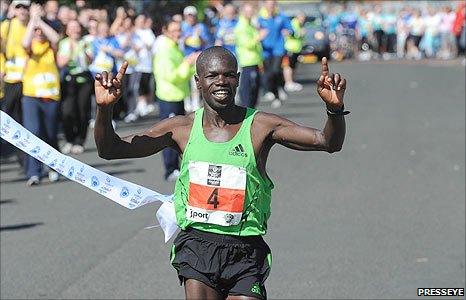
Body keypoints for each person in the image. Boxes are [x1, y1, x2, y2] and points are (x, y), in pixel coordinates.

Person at [93, 45, 348, 299]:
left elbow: (327, 142)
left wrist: (334, 110)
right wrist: (105, 109)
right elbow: (110, 149)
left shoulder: (261, 126)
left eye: (228, 75)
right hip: (197, 246)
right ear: (198, 81)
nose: (221, 81)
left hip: (245, 249)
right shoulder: (181, 128)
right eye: (212, 75)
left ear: (237, 79)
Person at [152, 19, 199, 181]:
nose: (177, 33)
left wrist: (193, 63)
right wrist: (187, 62)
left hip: (177, 95)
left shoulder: (174, 46)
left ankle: (176, 167)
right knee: (169, 134)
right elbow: (172, 76)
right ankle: (170, 169)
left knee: (180, 132)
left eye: (179, 30)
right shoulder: (165, 49)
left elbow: (182, 73)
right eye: (173, 30)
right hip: (168, 97)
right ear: (165, 31)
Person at [21, 3, 60, 186]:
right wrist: (33, 21)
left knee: (50, 134)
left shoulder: (51, 47)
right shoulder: (31, 47)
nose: (38, 33)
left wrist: (39, 20)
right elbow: (25, 42)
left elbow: (56, 37)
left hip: (50, 96)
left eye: (40, 31)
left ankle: (53, 166)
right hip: (31, 95)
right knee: (33, 132)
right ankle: (34, 172)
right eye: (36, 30)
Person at [57, 19, 92, 154]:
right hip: (69, 80)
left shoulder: (85, 42)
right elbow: (61, 63)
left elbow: (90, 61)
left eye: (77, 27)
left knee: (83, 111)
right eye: (72, 27)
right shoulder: (64, 43)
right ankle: (69, 139)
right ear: (67, 31)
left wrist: (84, 52)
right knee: (67, 111)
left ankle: (80, 140)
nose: (75, 30)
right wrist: (71, 52)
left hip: (84, 80)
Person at [258, 0, 293, 108]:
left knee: (276, 70)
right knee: (268, 74)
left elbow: (291, 28)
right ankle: (274, 91)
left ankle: (278, 91)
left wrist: (289, 32)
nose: (271, 6)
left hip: (278, 48)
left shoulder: (281, 16)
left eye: (273, 4)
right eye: (269, 4)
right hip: (266, 50)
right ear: (265, 5)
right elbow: (254, 31)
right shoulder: (260, 18)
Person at [234, 3, 266, 108]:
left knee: (255, 88)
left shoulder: (250, 24)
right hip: (247, 61)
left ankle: (251, 110)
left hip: (255, 60)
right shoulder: (241, 26)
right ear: (242, 12)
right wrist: (259, 37)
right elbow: (247, 44)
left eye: (251, 11)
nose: (250, 13)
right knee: (247, 88)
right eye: (247, 11)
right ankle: (246, 111)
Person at [283, 12, 306, 92]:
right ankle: (288, 82)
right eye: (302, 18)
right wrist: (300, 33)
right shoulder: (293, 23)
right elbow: (290, 32)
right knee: (288, 66)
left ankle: (291, 81)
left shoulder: (299, 24)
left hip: (296, 49)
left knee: (293, 66)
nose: (303, 20)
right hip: (290, 48)